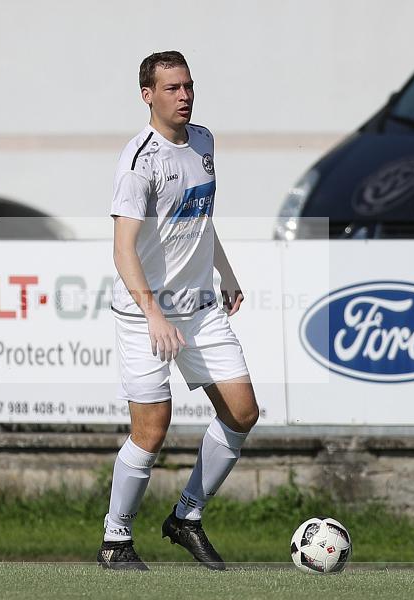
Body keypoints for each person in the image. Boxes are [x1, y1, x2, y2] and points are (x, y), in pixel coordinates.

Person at [97, 51, 259, 571]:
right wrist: (153, 313)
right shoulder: (139, 161)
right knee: (152, 429)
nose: (184, 96)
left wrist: (225, 273)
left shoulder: (205, 141)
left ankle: (186, 517)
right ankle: (115, 540)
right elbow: (123, 249)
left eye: (188, 86)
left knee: (242, 411)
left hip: (201, 308)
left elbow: (200, 219)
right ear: (147, 95)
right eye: (171, 88)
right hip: (143, 313)